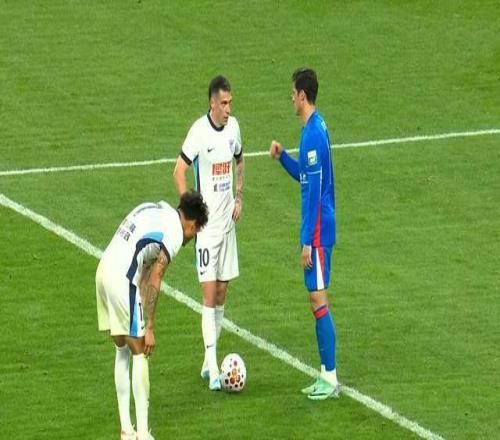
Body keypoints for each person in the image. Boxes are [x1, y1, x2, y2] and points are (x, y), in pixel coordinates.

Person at [96, 191, 208, 440]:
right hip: (122, 279)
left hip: (103, 270)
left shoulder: (158, 209)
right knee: (139, 352)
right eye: (195, 232)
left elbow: (144, 267)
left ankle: (126, 430)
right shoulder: (175, 234)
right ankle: (143, 433)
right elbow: (156, 276)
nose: (192, 237)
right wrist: (149, 327)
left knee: (122, 348)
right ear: (192, 225)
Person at [269, 68, 340, 400]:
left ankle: (330, 377)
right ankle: (326, 373)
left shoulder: (313, 134)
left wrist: (308, 243)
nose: (291, 99)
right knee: (316, 298)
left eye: (292, 93)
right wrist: (283, 157)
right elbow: (307, 177)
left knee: (318, 299)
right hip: (320, 228)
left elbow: (313, 194)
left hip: (319, 232)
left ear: (302, 95)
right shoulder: (315, 127)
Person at [173, 75, 245, 391]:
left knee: (222, 294)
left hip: (227, 227)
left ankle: (207, 362)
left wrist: (239, 196)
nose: (228, 109)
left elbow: (240, 160)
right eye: (224, 103)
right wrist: (190, 210)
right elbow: (179, 170)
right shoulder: (199, 132)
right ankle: (215, 369)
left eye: (230, 103)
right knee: (208, 295)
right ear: (212, 103)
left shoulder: (234, 129)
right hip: (207, 230)